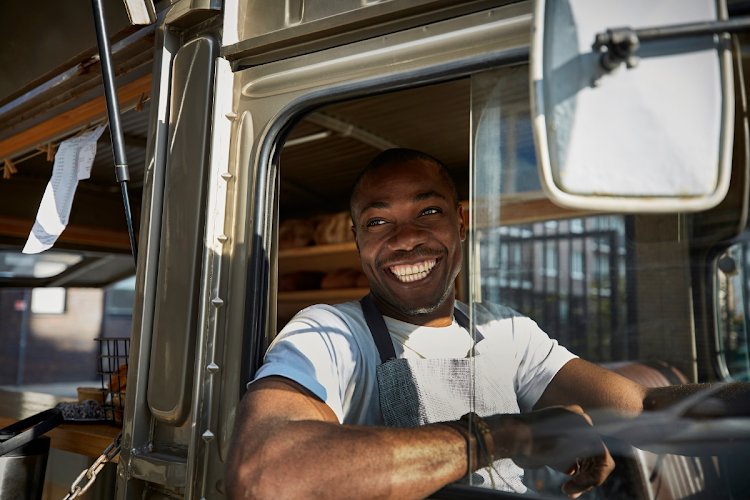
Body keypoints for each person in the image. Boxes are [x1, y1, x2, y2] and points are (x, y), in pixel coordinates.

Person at [225, 149, 748, 500]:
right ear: (361, 244)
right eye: (378, 222)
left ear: (461, 222)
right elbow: (264, 475)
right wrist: (505, 433)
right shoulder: (329, 334)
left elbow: (638, 406)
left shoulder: (504, 330)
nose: (404, 238)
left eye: (427, 212)